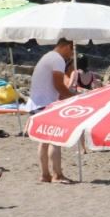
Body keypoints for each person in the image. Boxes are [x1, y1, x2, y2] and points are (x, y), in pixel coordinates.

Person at [29, 38, 75, 184]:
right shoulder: (57, 59)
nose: (71, 56)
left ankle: (45, 175)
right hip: (46, 104)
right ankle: (57, 175)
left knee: (44, 141)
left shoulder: (47, 56)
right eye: (72, 51)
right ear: (68, 46)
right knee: (55, 140)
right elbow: (59, 85)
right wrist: (75, 98)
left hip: (36, 103)